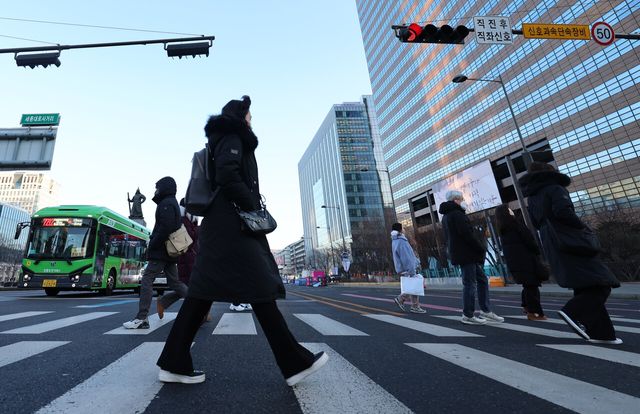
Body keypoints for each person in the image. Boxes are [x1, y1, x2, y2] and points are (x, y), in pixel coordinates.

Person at [156, 95, 328, 385]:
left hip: (221, 225)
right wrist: (251, 205)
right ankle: (293, 362)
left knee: (202, 293)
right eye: (249, 115)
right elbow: (228, 174)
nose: (251, 120)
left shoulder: (223, 137)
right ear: (240, 115)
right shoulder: (233, 135)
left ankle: (174, 362)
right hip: (233, 225)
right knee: (259, 286)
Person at [520, 162, 622, 344]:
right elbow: (563, 212)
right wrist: (584, 228)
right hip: (570, 239)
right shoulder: (555, 188)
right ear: (551, 173)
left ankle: (602, 334)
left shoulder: (532, 197)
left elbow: (535, 223)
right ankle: (572, 311)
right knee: (601, 283)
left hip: (552, 241)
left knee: (585, 285)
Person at [123, 177, 188, 329]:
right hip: (169, 251)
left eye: (157, 188)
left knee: (147, 279)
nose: (156, 191)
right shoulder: (172, 202)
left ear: (164, 188)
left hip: (161, 251)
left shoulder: (166, 204)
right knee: (175, 283)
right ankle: (200, 305)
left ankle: (142, 318)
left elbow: (165, 228)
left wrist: (152, 245)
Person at [439, 190, 504, 325]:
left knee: (481, 280)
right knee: (470, 283)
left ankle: (485, 311)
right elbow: (467, 234)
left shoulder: (446, 216)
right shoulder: (457, 214)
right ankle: (468, 314)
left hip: (461, 253)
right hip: (466, 253)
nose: (463, 201)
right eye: (461, 199)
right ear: (456, 200)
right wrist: (479, 247)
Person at [494, 204, 548, 321]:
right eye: (509, 209)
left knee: (528, 285)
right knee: (532, 286)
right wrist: (537, 251)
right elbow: (529, 240)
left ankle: (527, 306)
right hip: (526, 260)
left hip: (516, 262)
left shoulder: (503, 230)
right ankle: (534, 312)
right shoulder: (516, 225)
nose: (511, 211)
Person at [390, 223, 426, 314]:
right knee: (414, 285)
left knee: (413, 285)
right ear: (400, 230)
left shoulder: (395, 241)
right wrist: (411, 269)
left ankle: (414, 305)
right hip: (407, 268)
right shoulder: (401, 241)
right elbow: (406, 257)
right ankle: (402, 299)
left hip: (403, 268)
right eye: (403, 228)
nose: (404, 229)